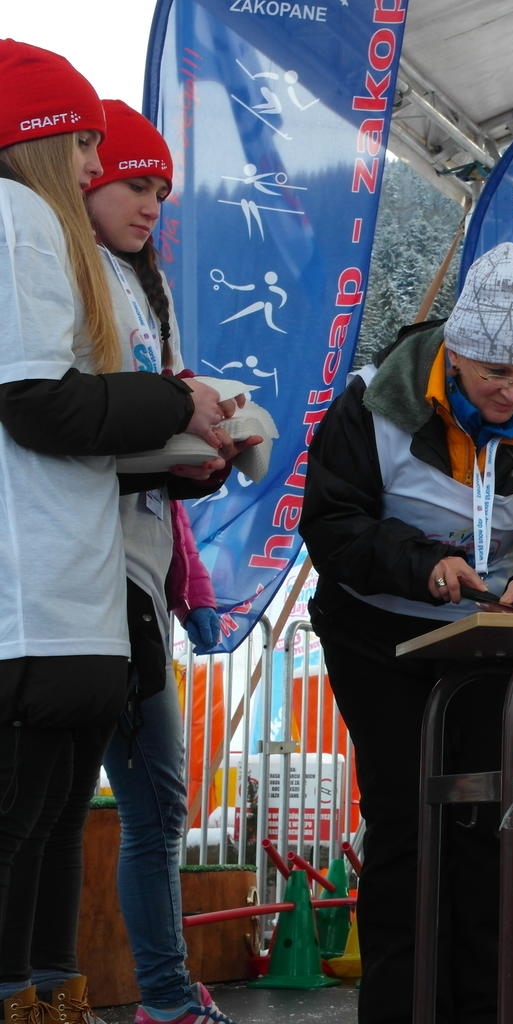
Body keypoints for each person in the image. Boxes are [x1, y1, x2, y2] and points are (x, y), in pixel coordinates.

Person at [299, 241, 513, 1024]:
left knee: (488, 825)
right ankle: (402, 1007)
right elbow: (331, 524)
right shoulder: (374, 401)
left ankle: (490, 1007)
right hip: (377, 635)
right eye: (496, 372)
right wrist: (424, 564)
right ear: (455, 352)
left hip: (484, 642)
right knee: (406, 819)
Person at [0, 41, 231, 1023]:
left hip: (79, 591)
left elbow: (63, 422)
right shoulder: (20, 221)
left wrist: (177, 444)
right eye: (89, 147)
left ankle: (51, 995)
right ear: (40, 142)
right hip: (42, 598)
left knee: (54, 827)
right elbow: (38, 404)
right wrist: (173, 403)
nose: (100, 170)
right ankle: (87, 995)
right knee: (37, 829)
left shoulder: (56, 240)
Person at [72, 99, 241, 1024]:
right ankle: (161, 999)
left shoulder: (142, 286)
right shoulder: (67, 273)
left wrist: (200, 458)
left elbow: (139, 463)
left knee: (142, 813)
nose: (151, 206)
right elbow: (72, 427)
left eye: (162, 192)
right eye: (135, 184)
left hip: (133, 580)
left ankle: (153, 997)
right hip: (84, 583)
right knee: (126, 814)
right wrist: (178, 431)